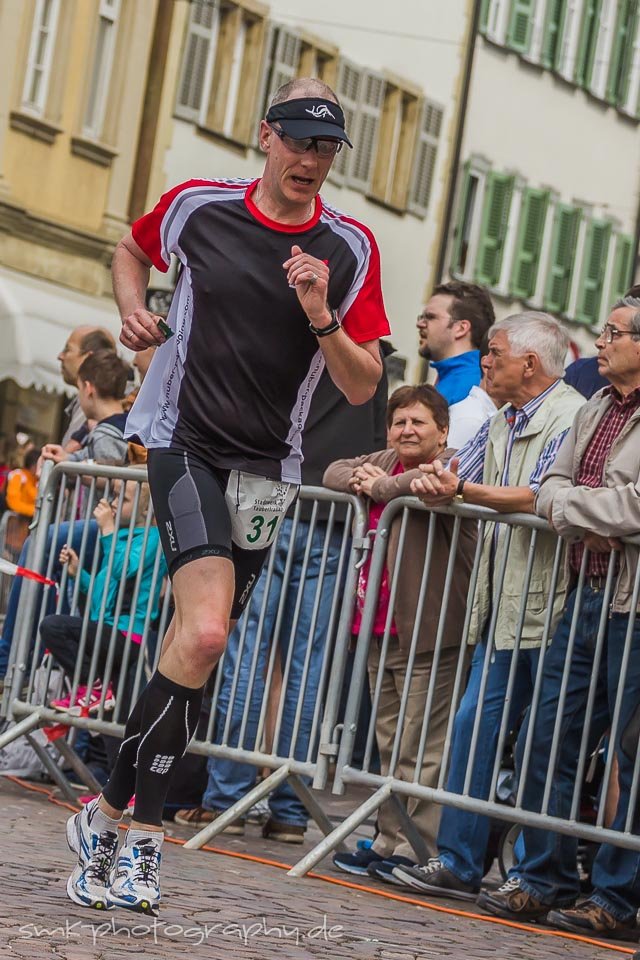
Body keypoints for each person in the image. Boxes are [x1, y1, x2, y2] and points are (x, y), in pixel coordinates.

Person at [65, 76, 389, 917]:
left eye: (326, 148)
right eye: (299, 141)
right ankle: (143, 837)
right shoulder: (199, 207)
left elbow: (362, 387)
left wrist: (322, 313)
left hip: (268, 469)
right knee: (205, 630)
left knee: (193, 656)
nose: (311, 160)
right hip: (184, 442)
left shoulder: (349, 248)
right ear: (265, 137)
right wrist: (134, 310)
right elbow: (131, 249)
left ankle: (107, 821)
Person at [391, 312, 584, 899]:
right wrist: (431, 482)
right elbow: (453, 473)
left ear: (531, 362)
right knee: (475, 726)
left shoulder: (572, 414)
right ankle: (458, 860)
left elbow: (543, 494)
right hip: (500, 601)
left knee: (543, 744)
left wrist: (459, 490)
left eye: (494, 352)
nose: (485, 361)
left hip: (551, 604)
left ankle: (532, 876)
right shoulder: (502, 418)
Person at [478, 296, 640, 940]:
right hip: (584, 590)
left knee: (629, 754)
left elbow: (636, 505)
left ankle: (617, 895)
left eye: (613, 333)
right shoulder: (597, 405)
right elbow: (550, 485)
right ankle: (542, 880)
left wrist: (583, 510)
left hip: (634, 603)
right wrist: (587, 513)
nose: (599, 342)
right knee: (550, 733)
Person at [175, 359, 388, 843]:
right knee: (308, 667)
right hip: (333, 514)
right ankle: (288, 807)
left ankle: (227, 797)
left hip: (270, 500)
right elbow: (376, 447)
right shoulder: (373, 356)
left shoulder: (289, 330)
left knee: (248, 653)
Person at [324, 385, 477, 882]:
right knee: (390, 741)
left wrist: (383, 487)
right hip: (377, 626)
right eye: (399, 422)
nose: (407, 431)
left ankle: (417, 848)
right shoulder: (385, 458)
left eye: (419, 423)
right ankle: (388, 839)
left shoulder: (453, 462)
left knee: (423, 745)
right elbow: (332, 470)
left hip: (430, 630)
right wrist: (366, 479)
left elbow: (426, 481)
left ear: (443, 430)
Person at [0, 350, 131, 680]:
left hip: (106, 526)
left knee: (38, 546)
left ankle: (9, 659)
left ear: (88, 388)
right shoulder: (114, 428)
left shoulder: (108, 431)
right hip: (100, 527)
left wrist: (71, 466)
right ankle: (16, 659)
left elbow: (111, 477)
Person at [40, 480, 166, 718]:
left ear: (147, 510)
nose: (114, 504)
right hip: (105, 633)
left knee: (53, 626)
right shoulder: (119, 538)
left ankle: (91, 687)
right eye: (114, 496)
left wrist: (108, 531)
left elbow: (124, 569)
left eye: (123, 499)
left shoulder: (153, 540)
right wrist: (80, 574)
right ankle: (95, 691)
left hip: (126, 637)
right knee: (108, 724)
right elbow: (103, 590)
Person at [417, 281, 494, 406]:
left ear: (461, 328)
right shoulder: (456, 378)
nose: (420, 324)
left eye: (430, 317)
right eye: (421, 317)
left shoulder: (469, 388)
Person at [57, 327, 115, 449]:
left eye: (67, 349)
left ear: (88, 358)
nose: (60, 356)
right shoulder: (84, 403)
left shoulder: (96, 406)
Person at [5, 448, 39, 518]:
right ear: (33, 466)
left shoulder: (37, 480)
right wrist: (35, 510)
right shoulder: (18, 475)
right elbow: (13, 502)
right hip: (15, 520)